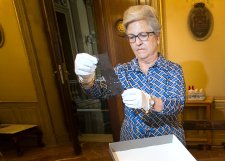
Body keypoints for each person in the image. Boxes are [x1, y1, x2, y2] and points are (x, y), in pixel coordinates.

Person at [74, 5, 186, 144]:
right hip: (132, 141)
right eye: (132, 37)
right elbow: (98, 91)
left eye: (143, 35)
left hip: (168, 141)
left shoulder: (173, 69)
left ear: (157, 37)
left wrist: (150, 101)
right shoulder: (121, 70)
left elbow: (177, 105)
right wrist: (86, 78)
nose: (137, 42)